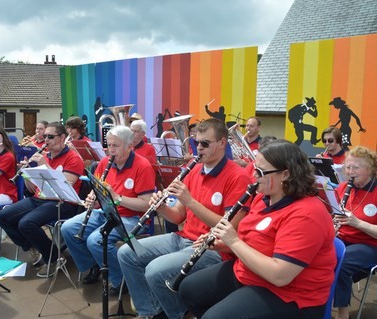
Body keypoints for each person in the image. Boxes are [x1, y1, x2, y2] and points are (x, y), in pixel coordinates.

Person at [179, 140, 336, 319]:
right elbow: (252, 242)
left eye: (260, 172)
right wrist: (223, 244)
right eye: (254, 168)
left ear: (285, 174)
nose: (253, 176)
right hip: (251, 273)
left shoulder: (307, 214)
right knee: (189, 290)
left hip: (290, 295)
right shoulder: (264, 198)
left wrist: (233, 241)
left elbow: (280, 276)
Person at [117, 118, 251, 319]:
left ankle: (180, 314)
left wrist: (190, 201)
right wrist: (161, 207)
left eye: (205, 143)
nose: (199, 148)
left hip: (212, 248)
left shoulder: (237, 176)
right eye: (197, 143)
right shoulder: (194, 169)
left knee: (155, 270)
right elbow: (179, 215)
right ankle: (151, 311)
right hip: (184, 237)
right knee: (127, 252)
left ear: (222, 143)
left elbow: (228, 228)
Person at [61, 125, 155, 295]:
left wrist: (116, 197)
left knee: (96, 241)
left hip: (132, 218)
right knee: (67, 228)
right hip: (104, 212)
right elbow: (98, 190)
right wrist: (93, 199)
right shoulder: (104, 162)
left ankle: (122, 280)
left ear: (129, 146)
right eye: (109, 145)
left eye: (115, 146)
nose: (110, 150)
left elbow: (146, 205)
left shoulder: (143, 166)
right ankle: (96, 264)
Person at [0, 122, 85, 277]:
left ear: (62, 137)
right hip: (40, 198)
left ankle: (54, 258)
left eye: (50, 137)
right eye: (45, 137)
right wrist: (26, 173)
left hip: (63, 202)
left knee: (26, 223)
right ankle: (33, 246)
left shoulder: (73, 158)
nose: (46, 141)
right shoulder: (44, 156)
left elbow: (66, 186)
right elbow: (31, 189)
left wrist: (45, 166)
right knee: (3, 217)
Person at [333, 146, 377, 319]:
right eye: (348, 167)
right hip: (343, 239)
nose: (350, 171)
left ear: (371, 169)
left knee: (340, 263)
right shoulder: (343, 187)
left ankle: (342, 313)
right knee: (316, 255)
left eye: (356, 168)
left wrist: (357, 223)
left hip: (370, 244)